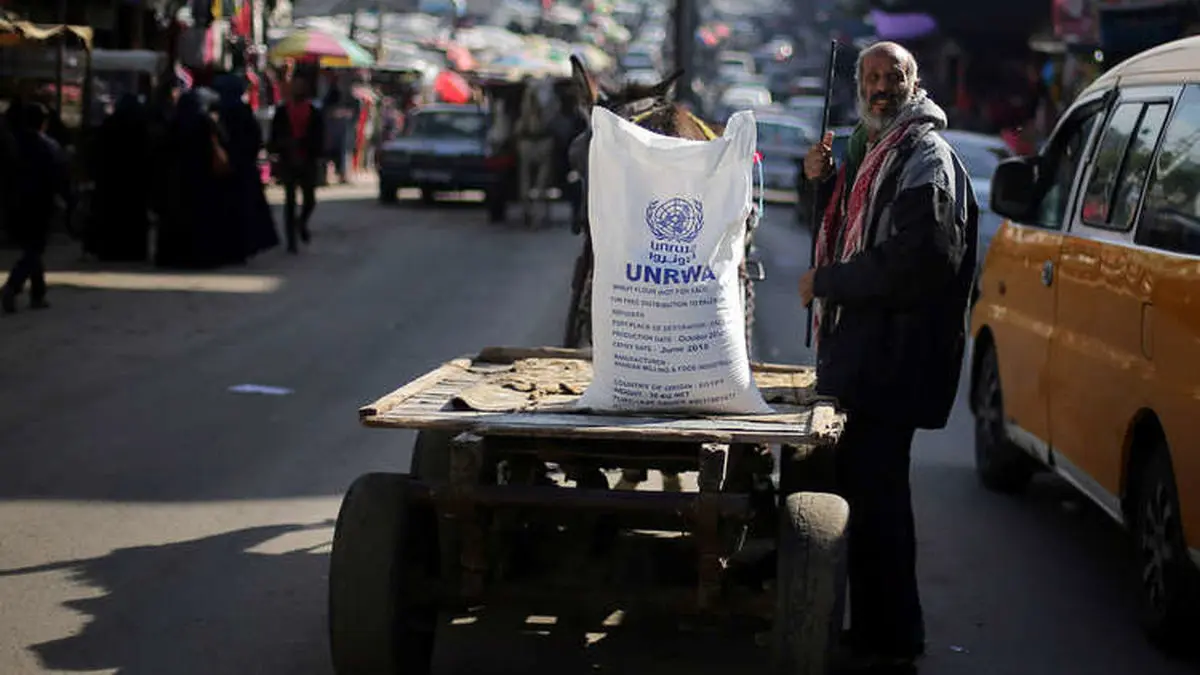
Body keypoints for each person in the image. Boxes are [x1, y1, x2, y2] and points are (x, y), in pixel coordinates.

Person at [797, 41, 977, 673]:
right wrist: (817, 183)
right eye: (871, 77)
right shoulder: (871, 151)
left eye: (892, 76)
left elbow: (919, 260)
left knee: (879, 501)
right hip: (862, 355)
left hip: (892, 360)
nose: (881, 87)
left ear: (914, 81)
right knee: (864, 497)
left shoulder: (924, 157)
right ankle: (876, 632)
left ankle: (893, 640)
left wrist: (829, 283)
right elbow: (845, 225)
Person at [2, 103, 70, 314]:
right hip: (39, 202)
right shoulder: (47, 146)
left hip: (15, 201)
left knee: (33, 247)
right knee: (34, 248)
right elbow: (57, 175)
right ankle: (13, 286)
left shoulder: (12, 142)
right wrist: (66, 199)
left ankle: (38, 293)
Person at [269, 75, 324, 254]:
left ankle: (301, 223)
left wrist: (305, 145)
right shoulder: (282, 111)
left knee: (310, 199)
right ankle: (291, 241)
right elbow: (274, 136)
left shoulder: (314, 112)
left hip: (307, 159)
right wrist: (281, 146)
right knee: (290, 200)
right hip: (288, 160)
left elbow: (319, 138)